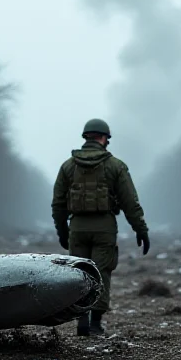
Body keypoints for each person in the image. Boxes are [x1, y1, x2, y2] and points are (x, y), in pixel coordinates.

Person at [51, 119, 150, 336]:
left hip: (77, 227)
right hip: (105, 227)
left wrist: (62, 231)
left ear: (86, 137)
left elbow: (58, 204)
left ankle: (81, 322)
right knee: (101, 272)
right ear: (104, 138)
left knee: (78, 273)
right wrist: (140, 229)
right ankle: (95, 324)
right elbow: (130, 202)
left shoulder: (68, 166)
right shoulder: (116, 166)